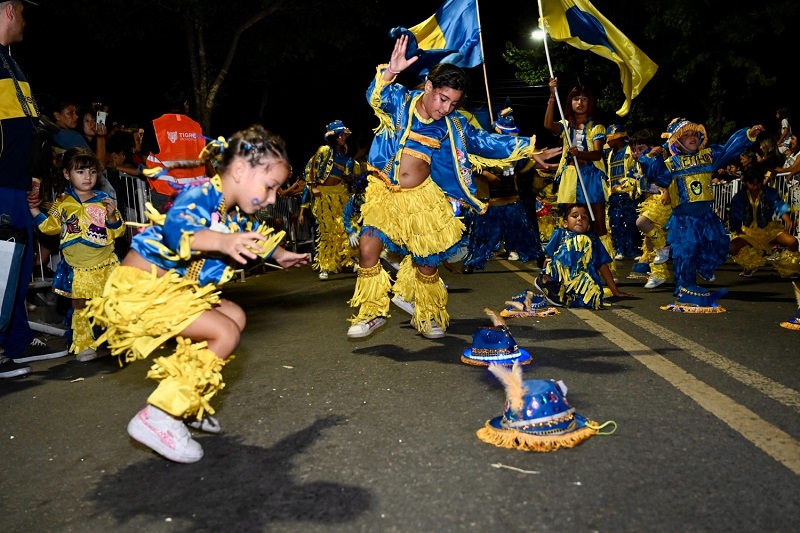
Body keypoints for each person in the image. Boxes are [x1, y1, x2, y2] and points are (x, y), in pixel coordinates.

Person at [75, 125, 310, 463]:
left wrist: (281, 254)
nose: (274, 198)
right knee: (224, 332)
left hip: (172, 289)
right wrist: (223, 242)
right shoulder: (202, 194)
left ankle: (188, 401)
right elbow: (178, 231)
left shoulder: (230, 211)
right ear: (240, 171)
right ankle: (160, 416)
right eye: (270, 186)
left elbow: (252, 236)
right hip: (142, 290)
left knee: (234, 316)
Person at [347, 34, 546, 339]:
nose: (446, 108)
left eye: (453, 103)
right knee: (367, 249)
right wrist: (392, 71)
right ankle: (372, 312)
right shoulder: (400, 101)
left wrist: (527, 148)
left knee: (427, 264)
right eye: (443, 99)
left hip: (422, 201)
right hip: (383, 194)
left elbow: (484, 142)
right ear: (428, 87)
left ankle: (427, 315)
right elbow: (375, 96)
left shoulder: (453, 125)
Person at [0, 0, 69, 379]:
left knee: (15, 268)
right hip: (2, 183)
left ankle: (16, 341)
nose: (25, 21)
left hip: (17, 182)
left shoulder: (10, 63)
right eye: (23, 13)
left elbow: (19, 129)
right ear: (10, 10)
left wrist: (32, 175)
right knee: (1, 267)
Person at [638, 117, 765, 302]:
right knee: (686, 252)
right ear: (676, 142)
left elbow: (729, 149)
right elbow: (657, 177)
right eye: (686, 135)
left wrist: (748, 135)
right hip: (684, 218)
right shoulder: (671, 164)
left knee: (717, 244)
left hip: (706, 216)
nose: (693, 137)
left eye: (695, 134)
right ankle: (684, 287)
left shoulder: (708, 156)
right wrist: (651, 157)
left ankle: (701, 265)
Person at [29, 148, 126, 361]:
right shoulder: (62, 202)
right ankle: (83, 344)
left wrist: (111, 217)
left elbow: (119, 231)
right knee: (79, 305)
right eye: (80, 172)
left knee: (110, 302)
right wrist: (34, 210)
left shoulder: (105, 199)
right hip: (77, 266)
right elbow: (50, 227)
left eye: (92, 171)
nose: (87, 177)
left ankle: (118, 337)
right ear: (67, 174)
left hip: (104, 263)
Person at [461, 106, 559, 273]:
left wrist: (547, 163)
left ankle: (539, 257)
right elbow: (469, 164)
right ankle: (472, 262)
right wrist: (486, 174)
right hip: (490, 203)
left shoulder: (515, 152)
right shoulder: (484, 147)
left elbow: (525, 165)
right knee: (482, 235)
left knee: (526, 232)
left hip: (512, 201)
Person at [544, 78, 615, 267]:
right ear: (570, 102)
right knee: (570, 221)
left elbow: (597, 154)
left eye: (584, 99)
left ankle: (604, 268)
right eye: (576, 99)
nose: (580, 102)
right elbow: (548, 125)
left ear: (589, 103)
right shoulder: (566, 125)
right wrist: (552, 96)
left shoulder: (597, 127)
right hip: (570, 177)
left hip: (592, 177)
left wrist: (580, 153)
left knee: (598, 224)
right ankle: (568, 263)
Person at [533, 203, 634, 308]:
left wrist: (615, 291)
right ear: (565, 223)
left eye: (584, 217)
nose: (580, 219)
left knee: (587, 300)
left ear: (588, 226)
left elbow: (602, 265)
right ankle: (546, 282)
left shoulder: (593, 239)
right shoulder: (560, 233)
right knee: (579, 240)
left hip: (580, 281)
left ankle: (571, 293)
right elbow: (549, 258)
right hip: (559, 278)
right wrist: (547, 276)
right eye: (575, 216)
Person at [299, 120, 361, 280]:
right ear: (334, 137)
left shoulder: (346, 155)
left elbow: (349, 177)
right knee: (327, 230)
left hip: (340, 194)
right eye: (340, 135)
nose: (343, 137)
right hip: (324, 196)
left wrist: (353, 177)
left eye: (344, 135)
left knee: (346, 226)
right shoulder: (324, 151)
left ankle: (351, 259)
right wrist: (313, 187)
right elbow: (311, 169)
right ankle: (325, 265)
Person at [141, 90, 209, 213]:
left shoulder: (154, 126)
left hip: (164, 193)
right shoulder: (198, 127)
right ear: (185, 104)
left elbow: (144, 156)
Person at [729, 164, 799, 277]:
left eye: (758, 182)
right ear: (745, 183)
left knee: (792, 242)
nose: (756, 186)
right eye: (752, 183)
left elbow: (780, 206)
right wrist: (736, 228)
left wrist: (788, 220)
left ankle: (789, 267)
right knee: (732, 247)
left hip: (769, 230)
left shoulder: (769, 192)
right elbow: (734, 214)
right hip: (748, 232)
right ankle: (751, 264)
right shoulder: (739, 197)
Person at [629, 127, 674, 289]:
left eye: (641, 149)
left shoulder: (659, 157)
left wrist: (667, 191)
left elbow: (670, 175)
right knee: (649, 243)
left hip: (663, 202)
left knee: (642, 222)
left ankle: (664, 249)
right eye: (634, 150)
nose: (637, 153)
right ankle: (659, 273)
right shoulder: (641, 164)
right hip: (652, 202)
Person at [604, 124, 641, 262]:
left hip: (628, 194)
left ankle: (631, 249)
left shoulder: (630, 151)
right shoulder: (610, 154)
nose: (607, 142)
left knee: (630, 222)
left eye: (609, 139)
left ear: (617, 138)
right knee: (616, 222)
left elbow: (636, 171)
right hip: (614, 195)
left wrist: (629, 185)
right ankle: (620, 248)